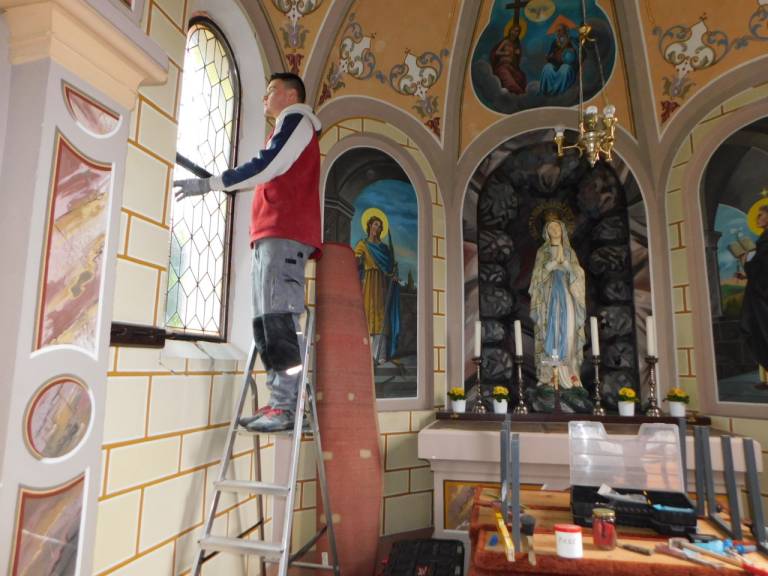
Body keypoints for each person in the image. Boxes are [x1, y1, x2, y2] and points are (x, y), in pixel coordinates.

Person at [173, 72, 322, 432]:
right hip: (272, 235)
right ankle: (280, 402)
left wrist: (211, 184)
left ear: (291, 95)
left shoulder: (297, 120)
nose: (264, 98)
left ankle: (287, 407)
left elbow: (268, 165)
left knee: (279, 320)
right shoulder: (287, 126)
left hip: (284, 233)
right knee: (266, 322)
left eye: (270, 91)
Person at [529, 217, 586, 388]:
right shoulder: (542, 252)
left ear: (563, 230)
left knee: (569, 331)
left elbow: (579, 274)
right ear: (546, 232)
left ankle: (570, 374)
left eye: (557, 227)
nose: (554, 230)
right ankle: (549, 375)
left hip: (567, 296)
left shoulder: (569, 252)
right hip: (548, 298)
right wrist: (552, 265)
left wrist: (568, 266)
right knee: (550, 331)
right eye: (551, 227)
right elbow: (536, 276)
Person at [354, 215, 400, 364]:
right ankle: (366, 355)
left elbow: (389, 267)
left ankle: (380, 355)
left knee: (381, 316)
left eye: (379, 226)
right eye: (375, 224)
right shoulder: (362, 245)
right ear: (369, 226)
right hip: (368, 283)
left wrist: (393, 274)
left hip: (381, 285)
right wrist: (358, 260)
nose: (377, 228)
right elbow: (355, 262)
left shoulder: (384, 248)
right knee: (367, 314)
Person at [740, 204, 768, 388]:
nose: (758, 218)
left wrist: (746, 263)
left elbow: (763, 269)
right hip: (759, 293)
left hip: (762, 297)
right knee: (759, 332)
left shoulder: (766, 240)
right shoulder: (763, 239)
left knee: (762, 332)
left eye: (761, 215)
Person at [538, 24, 578, 96]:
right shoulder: (555, 42)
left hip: (569, 67)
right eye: (556, 31)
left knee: (564, 68)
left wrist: (571, 54)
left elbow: (579, 54)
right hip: (556, 66)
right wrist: (549, 57)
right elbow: (550, 55)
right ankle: (546, 91)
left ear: (565, 31)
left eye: (559, 30)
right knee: (547, 67)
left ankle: (558, 92)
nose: (558, 32)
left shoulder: (572, 41)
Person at [490, 25, 527, 95]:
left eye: (517, 31)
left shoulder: (516, 45)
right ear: (510, 31)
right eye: (513, 30)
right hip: (502, 66)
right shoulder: (505, 42)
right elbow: (496, 52)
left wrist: (517, 54)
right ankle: (520, 93)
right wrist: (504, 53)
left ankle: (519, 94)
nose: (515, 32)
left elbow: (516, 60)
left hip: (511, 66)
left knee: (521, 77)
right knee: (510, 82)